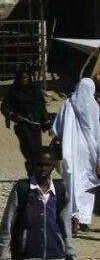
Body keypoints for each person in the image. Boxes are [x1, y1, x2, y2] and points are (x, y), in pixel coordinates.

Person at [50, 75, 100, 233]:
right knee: (87, 185)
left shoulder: (67, 105)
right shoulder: (94, 108)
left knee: (72, 184)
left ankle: (75, 218)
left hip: (70, 152)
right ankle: (82, 219)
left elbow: (56, 129)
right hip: (89, 155)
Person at [1, 70, 49, 173]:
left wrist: (46, 122)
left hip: (35, 126)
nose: (24, 80)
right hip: (22, 126)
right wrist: (14, 116)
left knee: (37, 150)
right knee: (28, 149)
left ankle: (36, 172)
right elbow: (5, 107)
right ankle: (31, 170)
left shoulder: (35, 91)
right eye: (22, 78)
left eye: (26, 78)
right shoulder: (14, 92)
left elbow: (41, 107)